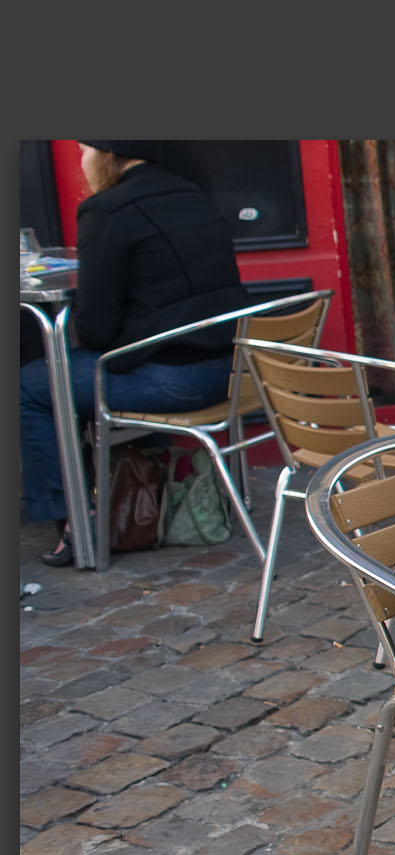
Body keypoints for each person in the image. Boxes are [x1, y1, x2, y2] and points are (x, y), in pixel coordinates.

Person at [20, 140, 250, 567]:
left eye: (85, 151)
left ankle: (75, 521)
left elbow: (94, 328)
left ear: (108, 155)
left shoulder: (106, 209)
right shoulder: (192, 193)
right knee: (110, 365)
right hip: (233, 372)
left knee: (31, 386)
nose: (81, 162)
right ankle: (143, 490)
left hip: (174, 381)